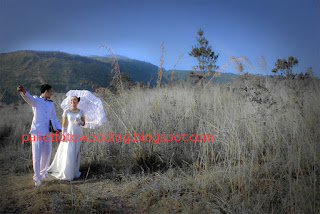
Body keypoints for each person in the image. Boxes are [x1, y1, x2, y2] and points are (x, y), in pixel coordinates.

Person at [17, 83, 62, 187]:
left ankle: (44, 173)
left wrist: (57, 127)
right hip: (37, 132)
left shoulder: (50, 103)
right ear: (46, 91)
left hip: (47, 132)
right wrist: (23, 91)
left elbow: (53, 117)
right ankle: (37, 177)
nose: (52, 93)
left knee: (47, 153)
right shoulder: (36, 100)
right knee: (37, 155)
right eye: (51, 91)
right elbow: (28, 99)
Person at [48, 96, 85, 181]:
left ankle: (75, 171)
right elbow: (64, 124)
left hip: (78, 133)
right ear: (70, 102)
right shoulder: (67, 111)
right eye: (71, 100)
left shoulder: (81, 111)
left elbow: (84, 123)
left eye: (74, 100)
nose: (73, 101)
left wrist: (79, 122)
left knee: (76, 152)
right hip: (70, 132)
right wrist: (64, 134)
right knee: (69, 151)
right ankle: (67, 173)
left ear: (78, 101)